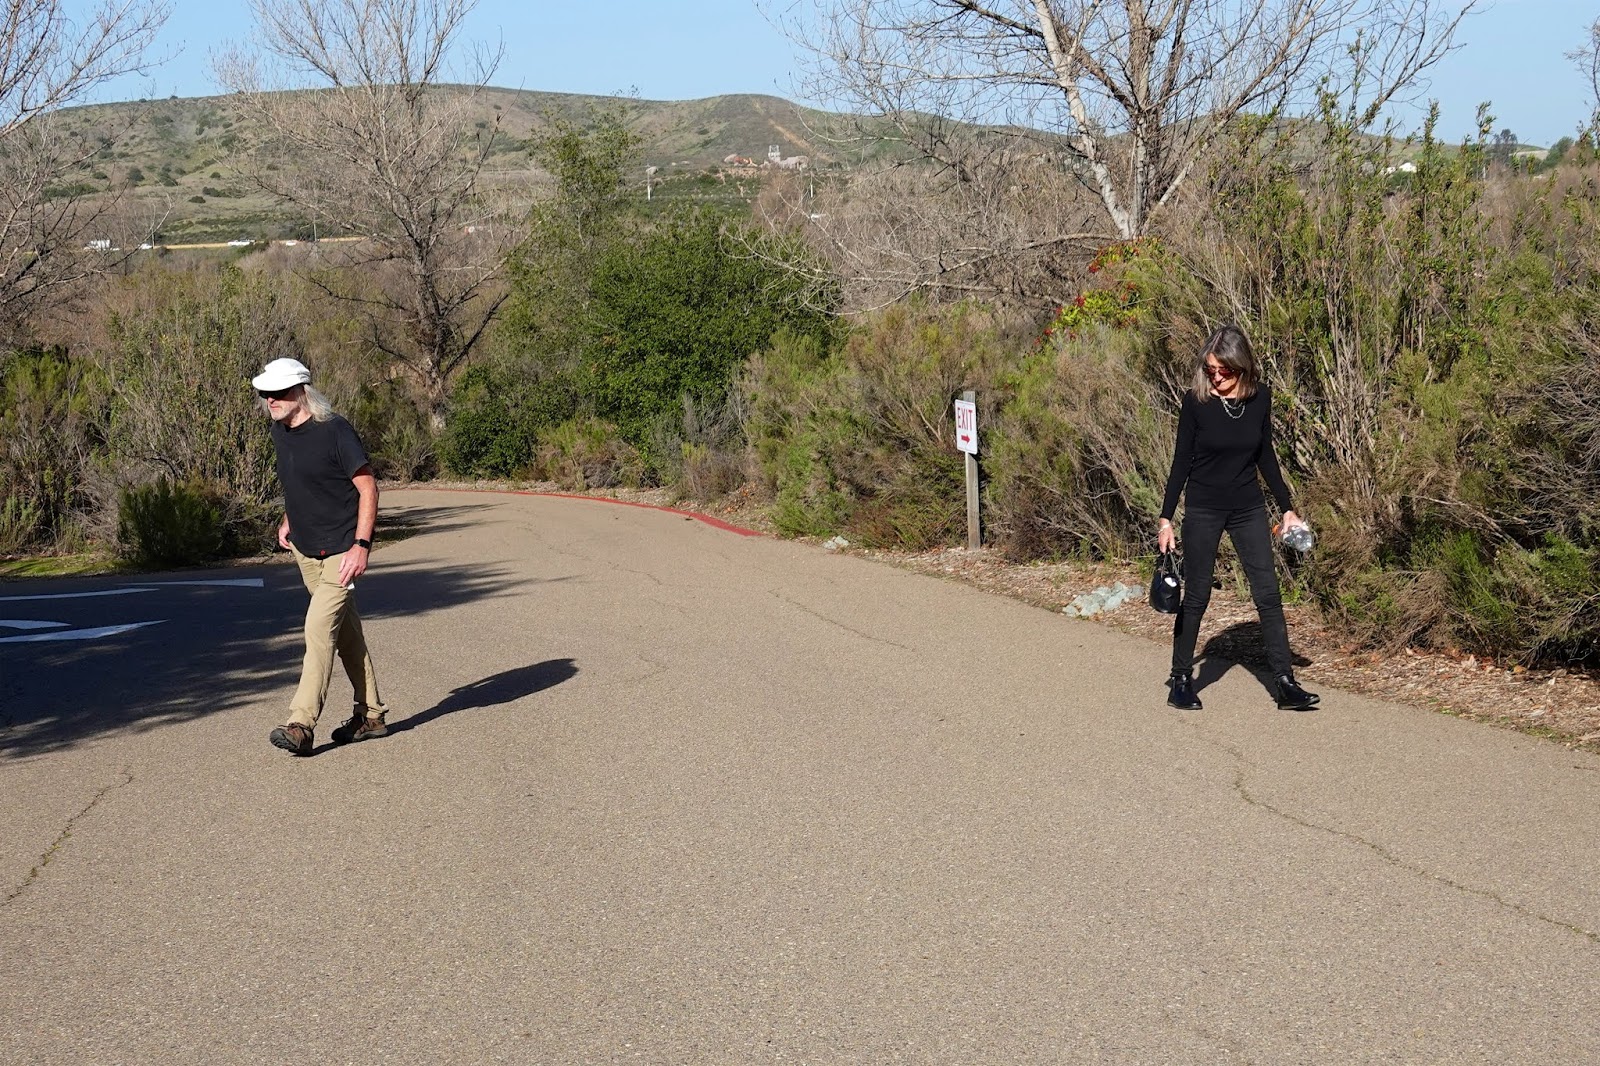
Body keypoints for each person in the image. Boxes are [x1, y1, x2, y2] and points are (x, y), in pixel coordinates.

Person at [1157, 325, 1319, 712]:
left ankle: (1284, 682)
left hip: (1247, 506)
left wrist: (1287, 506)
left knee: (1268, 593)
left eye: (1223, 371)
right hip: (1204, 507)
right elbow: (1182, 460)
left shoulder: (1260, 398)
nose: (1215, 377)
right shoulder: (1195, 401)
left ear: (1240, 366)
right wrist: (1166, 518)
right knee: (1197, 596)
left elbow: (1266, 456)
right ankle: (1181, 679)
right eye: (1210, 369)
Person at [253, 357, 390, 754]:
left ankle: (300, 724)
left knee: (317, 629)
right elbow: (300, 483)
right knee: (347, 635)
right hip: (305, 550)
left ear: (301, 392)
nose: (270, 400)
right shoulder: (280, 432)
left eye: (277, 393)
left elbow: (368, 489)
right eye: (265, 394)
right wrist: (287, 520)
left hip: (342, 552)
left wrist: (362, 546)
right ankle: (372, 715)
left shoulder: (335, 431)